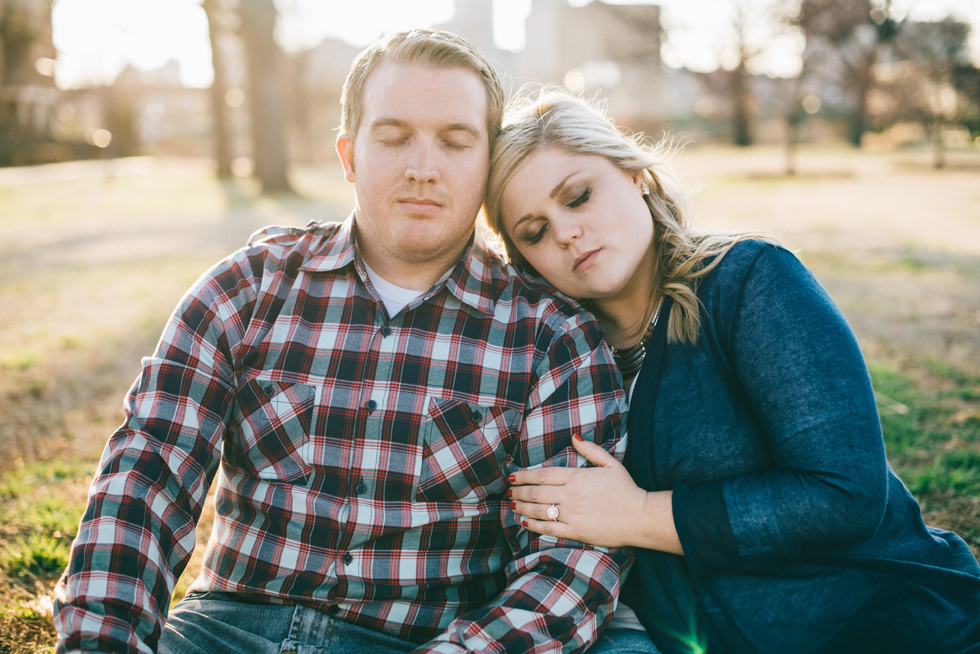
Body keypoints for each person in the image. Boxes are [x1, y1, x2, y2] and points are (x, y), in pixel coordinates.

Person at [53, 32, 630, 654]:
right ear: (349, 154)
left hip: (427, 641)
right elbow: (146, 478)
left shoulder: (551, 336)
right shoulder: (245, 290)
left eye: (456, 142)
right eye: (394, 136)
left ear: (487, 163)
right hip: (226, 631)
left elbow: (568, 566)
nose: (423, 167)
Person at [484, 88, 980, 654]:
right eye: (535, 232)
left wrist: (639, 515)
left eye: (578, 197)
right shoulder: (560, 360)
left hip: (874, 620)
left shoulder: (751, 282)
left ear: (634, 175)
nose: (566, 232)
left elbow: (846, 495)